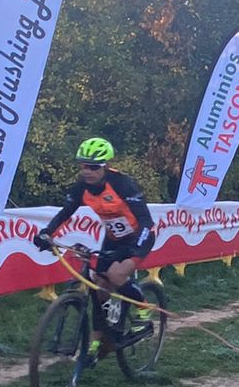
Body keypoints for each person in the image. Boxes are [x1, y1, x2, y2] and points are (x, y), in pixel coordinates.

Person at [33, 137, 156, 361]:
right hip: (112, 239)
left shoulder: (122, 185)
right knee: (99, 289)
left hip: (138, 238)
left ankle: (143, 308)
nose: (87, 172)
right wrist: (47, 233)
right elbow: (65, 212)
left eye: (93, 167)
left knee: (117, 274)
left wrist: (134, 252)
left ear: (105, 166)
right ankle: (97, 341)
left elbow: (146, 222)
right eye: (83, 166)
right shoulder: (82, 187)